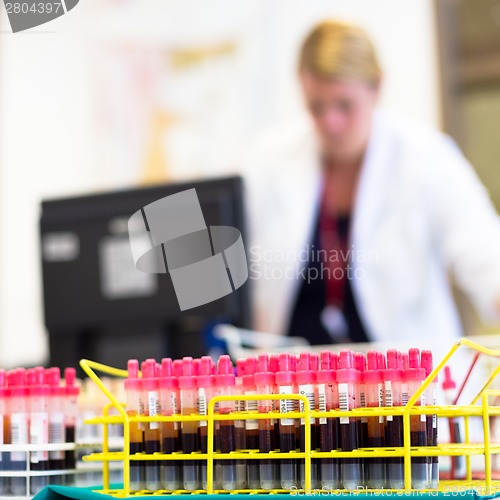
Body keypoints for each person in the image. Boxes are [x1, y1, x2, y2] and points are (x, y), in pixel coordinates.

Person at [245, 20, 500, 345]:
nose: (330, 123)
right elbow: (233, 274)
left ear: (377, 87)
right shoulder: (270, 160)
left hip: (407, 388)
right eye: (316, 107)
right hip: (295, 387)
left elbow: (486, 257)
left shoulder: (426, 159)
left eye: (344, 105)